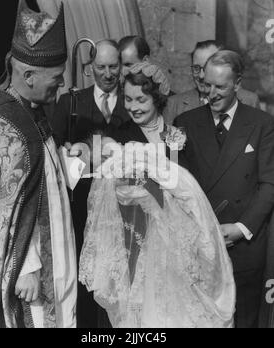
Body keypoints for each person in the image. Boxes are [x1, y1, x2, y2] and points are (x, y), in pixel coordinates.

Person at [78, 62, 236, 328]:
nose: (133, 107)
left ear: (158, 99)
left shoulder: (177, 134)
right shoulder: (118, 136)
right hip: (135, 247)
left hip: (178, 250)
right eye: (128, 99)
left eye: (141, 99)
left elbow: (191, 186)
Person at [0, 0, 77, 328]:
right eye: (57, 77)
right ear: (29, 74)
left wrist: (72, 164)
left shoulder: (32, 108)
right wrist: (27, 265)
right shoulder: (2, 125)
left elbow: (39, 180)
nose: (62, 84)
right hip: (28, 271)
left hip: (55, 249)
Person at [174, 50, 274, 328]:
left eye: (220, 86)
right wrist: (201, 228)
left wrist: (242, 228)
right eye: (207, 85)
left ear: (238, 84)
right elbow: (178, 185)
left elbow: (269, 184)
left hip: (243, 248)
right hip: (199, 245)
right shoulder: (185, 123)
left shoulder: (263, 124)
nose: (211, 94)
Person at [53, 39, 130, 328]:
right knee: (88, 281)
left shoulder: (132, 101)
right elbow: (56, 147)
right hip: (83, 208)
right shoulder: (71, 102)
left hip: (123, 208)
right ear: (90, 68)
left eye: (113, 67)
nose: (108, 74)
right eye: (101, 67)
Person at [164, 40, 260, 124]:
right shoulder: (175, 105)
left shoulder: (249, 101)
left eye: (207, 68)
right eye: (196, 68)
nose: (201, 76)